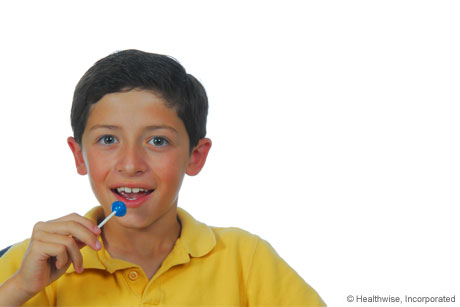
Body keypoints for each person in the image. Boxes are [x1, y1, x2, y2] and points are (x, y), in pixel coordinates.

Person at [0, 50, 325, 306]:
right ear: (79, 155)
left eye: (157, 141)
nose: (131, 164)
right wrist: (19, 288)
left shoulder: (245, 259)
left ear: (195, 156)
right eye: (108, 140)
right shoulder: (34, 261)